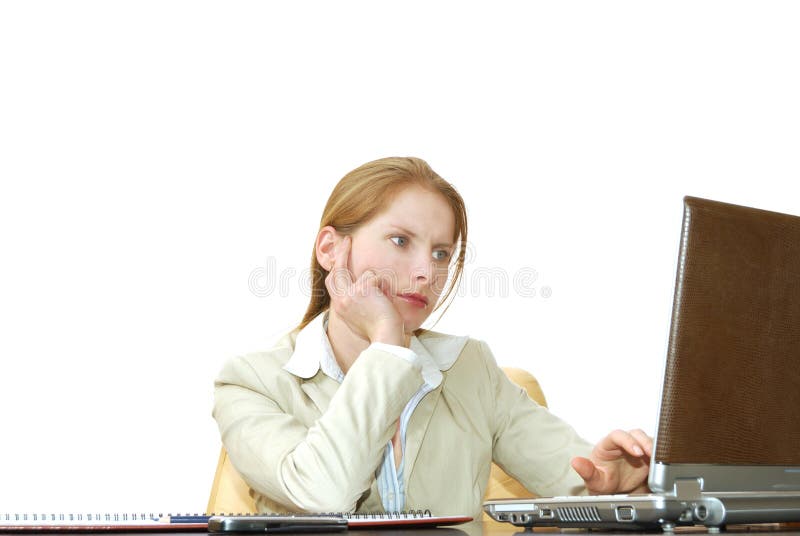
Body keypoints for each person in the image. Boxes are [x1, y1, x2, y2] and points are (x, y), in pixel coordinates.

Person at [212, 157, 652, 521]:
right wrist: (386, 344)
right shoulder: (250, 381)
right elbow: (324, 494)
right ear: (330, 249)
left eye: (441, 252)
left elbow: (579, 483)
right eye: (401, 240)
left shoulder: (471, 368)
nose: (427, 272)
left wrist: (615, 485)